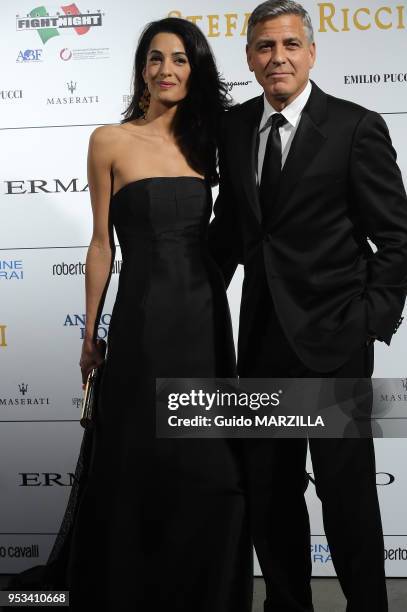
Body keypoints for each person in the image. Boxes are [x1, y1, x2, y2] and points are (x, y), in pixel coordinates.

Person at [5, 17, 252, 612]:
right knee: (138, 455)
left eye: (181, 60)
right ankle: (129, 585)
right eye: (156, 58)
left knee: (206, 459)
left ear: (196, 71)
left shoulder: (209, 139)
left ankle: (202, 587)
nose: (168, 70)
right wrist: (90, 336)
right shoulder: (109, 140)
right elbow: (99, 245)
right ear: (141, 67)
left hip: (203, 317)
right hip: (141, 318)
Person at [209, 1, 407, 611]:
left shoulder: (355, 126)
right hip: (263, 341)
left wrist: (367, 320)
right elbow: (232, 231)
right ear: (248, 57)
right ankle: (287, 604)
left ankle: (369, 605)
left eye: (291, 45)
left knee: (346, 493)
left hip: (332, 344)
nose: (278, 58)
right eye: (265, 47)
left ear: (312, 53)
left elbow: (396, 238)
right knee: (270, 493)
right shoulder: (235, 127)